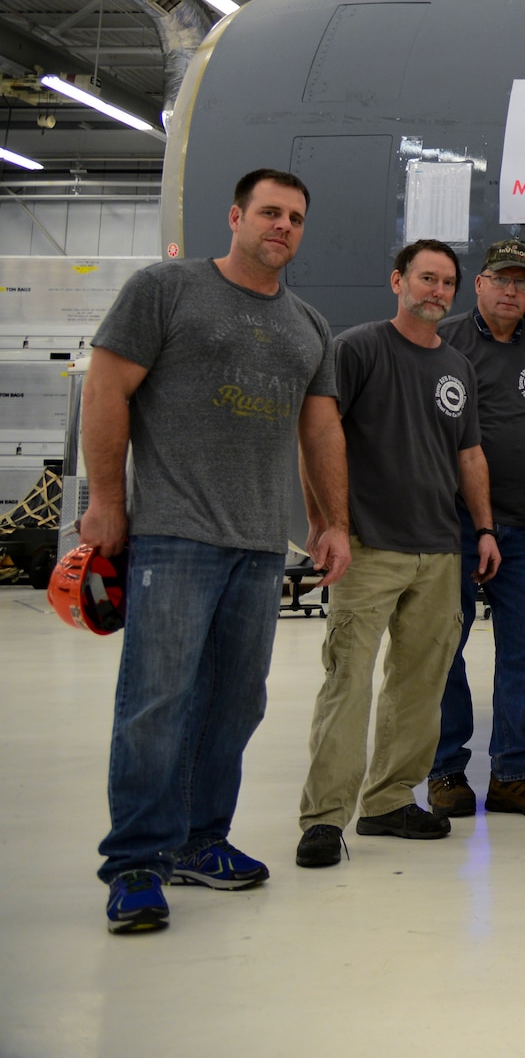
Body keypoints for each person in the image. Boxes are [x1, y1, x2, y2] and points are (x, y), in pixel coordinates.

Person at [85, 169, 349, 934]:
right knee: (157, 703)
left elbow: (321, 429)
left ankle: (202, 839)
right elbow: (107, 388)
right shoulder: (165, 288)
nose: (283, 226)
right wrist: (107, 502)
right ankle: (137, 861)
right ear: (235, 216)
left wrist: (331, 522)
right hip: (173, 533)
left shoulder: (308, 323)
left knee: (236, 702)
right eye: (270, 211)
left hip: (260, 544)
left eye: (296, 217)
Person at [296, 240, 501, 868]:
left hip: (440, 550)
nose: (436, 291)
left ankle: (387, 801)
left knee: (420, 684)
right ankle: (324, 818)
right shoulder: (357, 349)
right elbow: (315, 435)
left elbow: (468, 456)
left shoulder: (458, 367)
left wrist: (485, 529)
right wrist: (327, 523)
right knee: (349, 681)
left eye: (446, 283)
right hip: (369, 547)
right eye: (425, 278)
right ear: (398, 282)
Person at [426, 241, 525, 822]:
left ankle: (513, 772)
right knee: (446, 649)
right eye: (499, 281)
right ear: (478, 285)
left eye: (522, 283)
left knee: (523, 653)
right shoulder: (447, 342)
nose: (511, 291)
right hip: (454, 526)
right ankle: (446, 770)